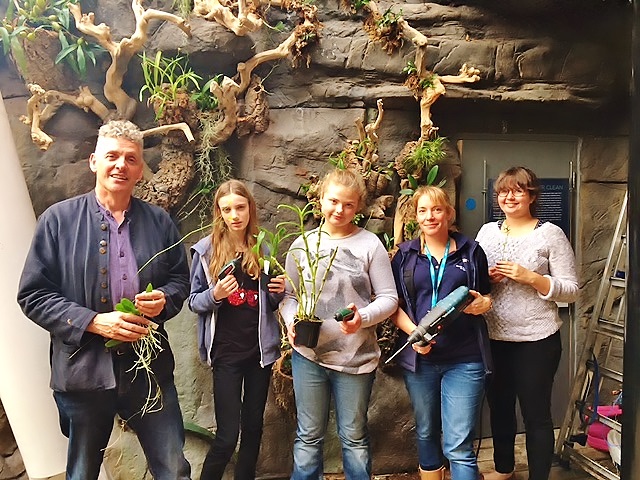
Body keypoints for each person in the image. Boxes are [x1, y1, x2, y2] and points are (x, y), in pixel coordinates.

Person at [17, 120, 191, 480]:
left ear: (140, 170)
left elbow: (179, 279)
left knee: (174, 468)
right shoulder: (57, 221)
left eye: (131, 159)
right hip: (82, 373)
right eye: (112, 156)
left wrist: (165, 299)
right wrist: (93, 321)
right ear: (93, 161)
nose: (121, 165)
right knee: (82, 473)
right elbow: (33, 294)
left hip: (149, 369)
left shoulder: (159, 221)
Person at [280, 168, 398, 480]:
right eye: (333, 201)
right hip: (309, 355)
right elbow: (289, 295)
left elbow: (388, 298)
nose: (339, 210)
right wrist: (292, 321)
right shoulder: (302, 245)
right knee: (308, 436)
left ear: (358, 206)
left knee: (354, 437)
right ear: (320, 200)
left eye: (348, 204)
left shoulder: (369, 244)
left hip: (355, 359)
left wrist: (364, 318)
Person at [475, 167, 579, 480]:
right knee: (500, 408)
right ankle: (504, 469)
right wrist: (486, 280)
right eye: (503, 191)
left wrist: (531, 278)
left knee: (536, 415)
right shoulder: (486, 233)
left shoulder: (550, 234)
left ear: (532, 195)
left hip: (538, 340)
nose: (509, 197)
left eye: (518, 191)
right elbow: (473, 283)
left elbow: (572, 289)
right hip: (494, 336)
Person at [390, 185, 493, 480]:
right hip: (420, 359)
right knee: (425, 430)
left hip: (465, 357)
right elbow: (392, 305)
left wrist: (484, 303)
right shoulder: (405, 256)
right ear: (416, 216)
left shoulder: (471, 251)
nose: (430, 216)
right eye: (423, 210)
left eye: (437, 209)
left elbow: (485, 296)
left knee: (459, 442)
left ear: (449, 213)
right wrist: (416, 335)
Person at [188, 180, 285, 480]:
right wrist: (215, 294)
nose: (234, 215)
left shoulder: (262, 246)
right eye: (227, 209)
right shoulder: (205, 252)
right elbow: (193, 302)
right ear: (219, 212)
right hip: (226, 354)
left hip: (259, 352)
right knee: (228, 435)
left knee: (253, 428)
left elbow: (269, 302)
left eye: (240, 207)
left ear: (250, 208)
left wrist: (278, 292)